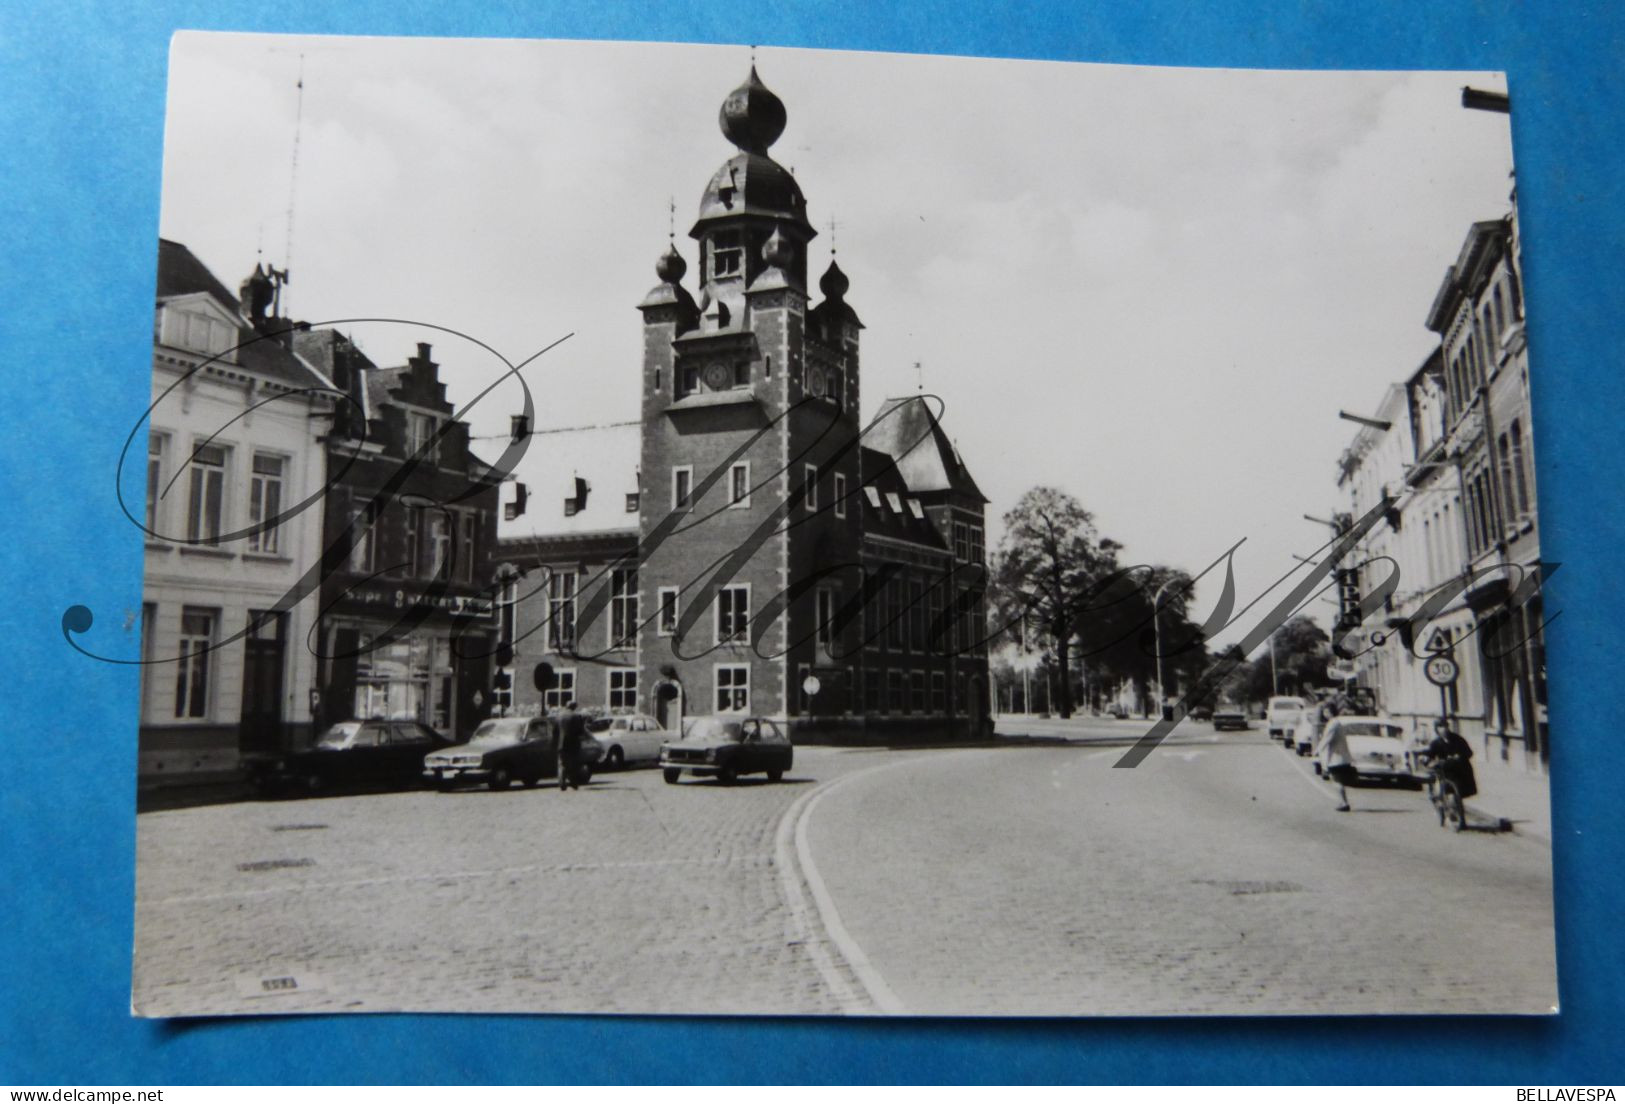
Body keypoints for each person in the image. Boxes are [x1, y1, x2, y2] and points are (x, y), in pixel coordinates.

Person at [1424, 718, 1478, 800]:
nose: (1444, 729)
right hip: (1446, 770)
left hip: (1459, 768)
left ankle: (1458, 802)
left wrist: (1460, 756)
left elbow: (1469, 753)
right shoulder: (1435, 743)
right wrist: (1427, 760)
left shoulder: (1458, 739)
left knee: (1462, 788)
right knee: (1443, 785)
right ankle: (1442, 797)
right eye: (1440, 727)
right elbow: (1430, 755)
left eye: (1445, 726)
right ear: (1436, 729)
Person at [1319, 716, 1357, 812]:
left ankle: (1344, 803)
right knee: (1338, 781)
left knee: (1336, 781)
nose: (1324, 713)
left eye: (1326, 711)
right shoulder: (1338, 723)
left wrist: (1317, 751)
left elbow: (1326, 739)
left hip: (1336, 759)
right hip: (1341, 758)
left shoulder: (1333, 724)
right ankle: (1343, 802)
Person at [558, 701, 586, 792]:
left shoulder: (559, 715)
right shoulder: (576, 716)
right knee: (574, 763)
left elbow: (555, 730)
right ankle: (573, 783)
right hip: (573, 743)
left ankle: (562, 782)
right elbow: (580, 731)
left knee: (562, 763)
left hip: (561, 743)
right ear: (574, 707)